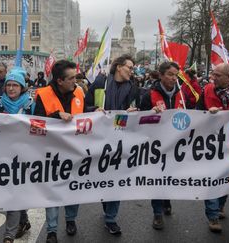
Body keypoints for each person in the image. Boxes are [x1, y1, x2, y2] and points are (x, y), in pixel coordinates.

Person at [85, 54, 140, 235]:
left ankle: (111, 218)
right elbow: (86, 106)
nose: (132, 72)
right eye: (129, 68)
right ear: (118, 67)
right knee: (103, 179)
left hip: (121, 140)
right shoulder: (101, 82)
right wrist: (95, 110)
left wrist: (129, 113)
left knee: (116, 180)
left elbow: (135, 111)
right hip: (99, 139)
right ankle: (106, 204)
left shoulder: (133, 87)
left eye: (132, 69)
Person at [34, 60, 84, 243]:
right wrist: (56, 116)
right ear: (60, 81)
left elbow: (84, 114)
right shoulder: (43, 95)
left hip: (74, 150)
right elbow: (37, 123)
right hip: (51, 153)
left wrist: (97, 111)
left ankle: (71, 220)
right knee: (53, 192)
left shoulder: (79, 91)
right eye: (71, 78)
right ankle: (52, 230)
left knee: (74, 188)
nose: (75, 81)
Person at [196, 63, 229, 233]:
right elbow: (195, 113)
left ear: (228, 77)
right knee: (212, 178)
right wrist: (206, 113)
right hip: (210, 143)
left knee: (226, 178)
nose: (213, 78)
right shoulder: (206, 90)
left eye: (217, 75)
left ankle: (220, 205)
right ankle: (213, 216)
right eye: (213, 74)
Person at [139, 61, 188, 230]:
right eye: (170, 75)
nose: (174, 78)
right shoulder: (149, 95)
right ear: (161, 75)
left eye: (176, 75)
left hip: (176, 144)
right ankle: (157, 213)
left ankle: (166, 199)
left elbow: (195, 114)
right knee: (157, 178)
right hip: (156, 145)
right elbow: (141, 120)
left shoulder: (182, 94)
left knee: (171, 176)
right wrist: (151, 114)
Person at [0, 67, 34, 243]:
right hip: (2, 154)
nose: (11, 88)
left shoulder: (30, 104)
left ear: (22, 87)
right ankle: (23, 221)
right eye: (8, 85)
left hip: (24, 155)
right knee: (13, 191)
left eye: (15, 85)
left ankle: (8, 235)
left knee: (14, 192)